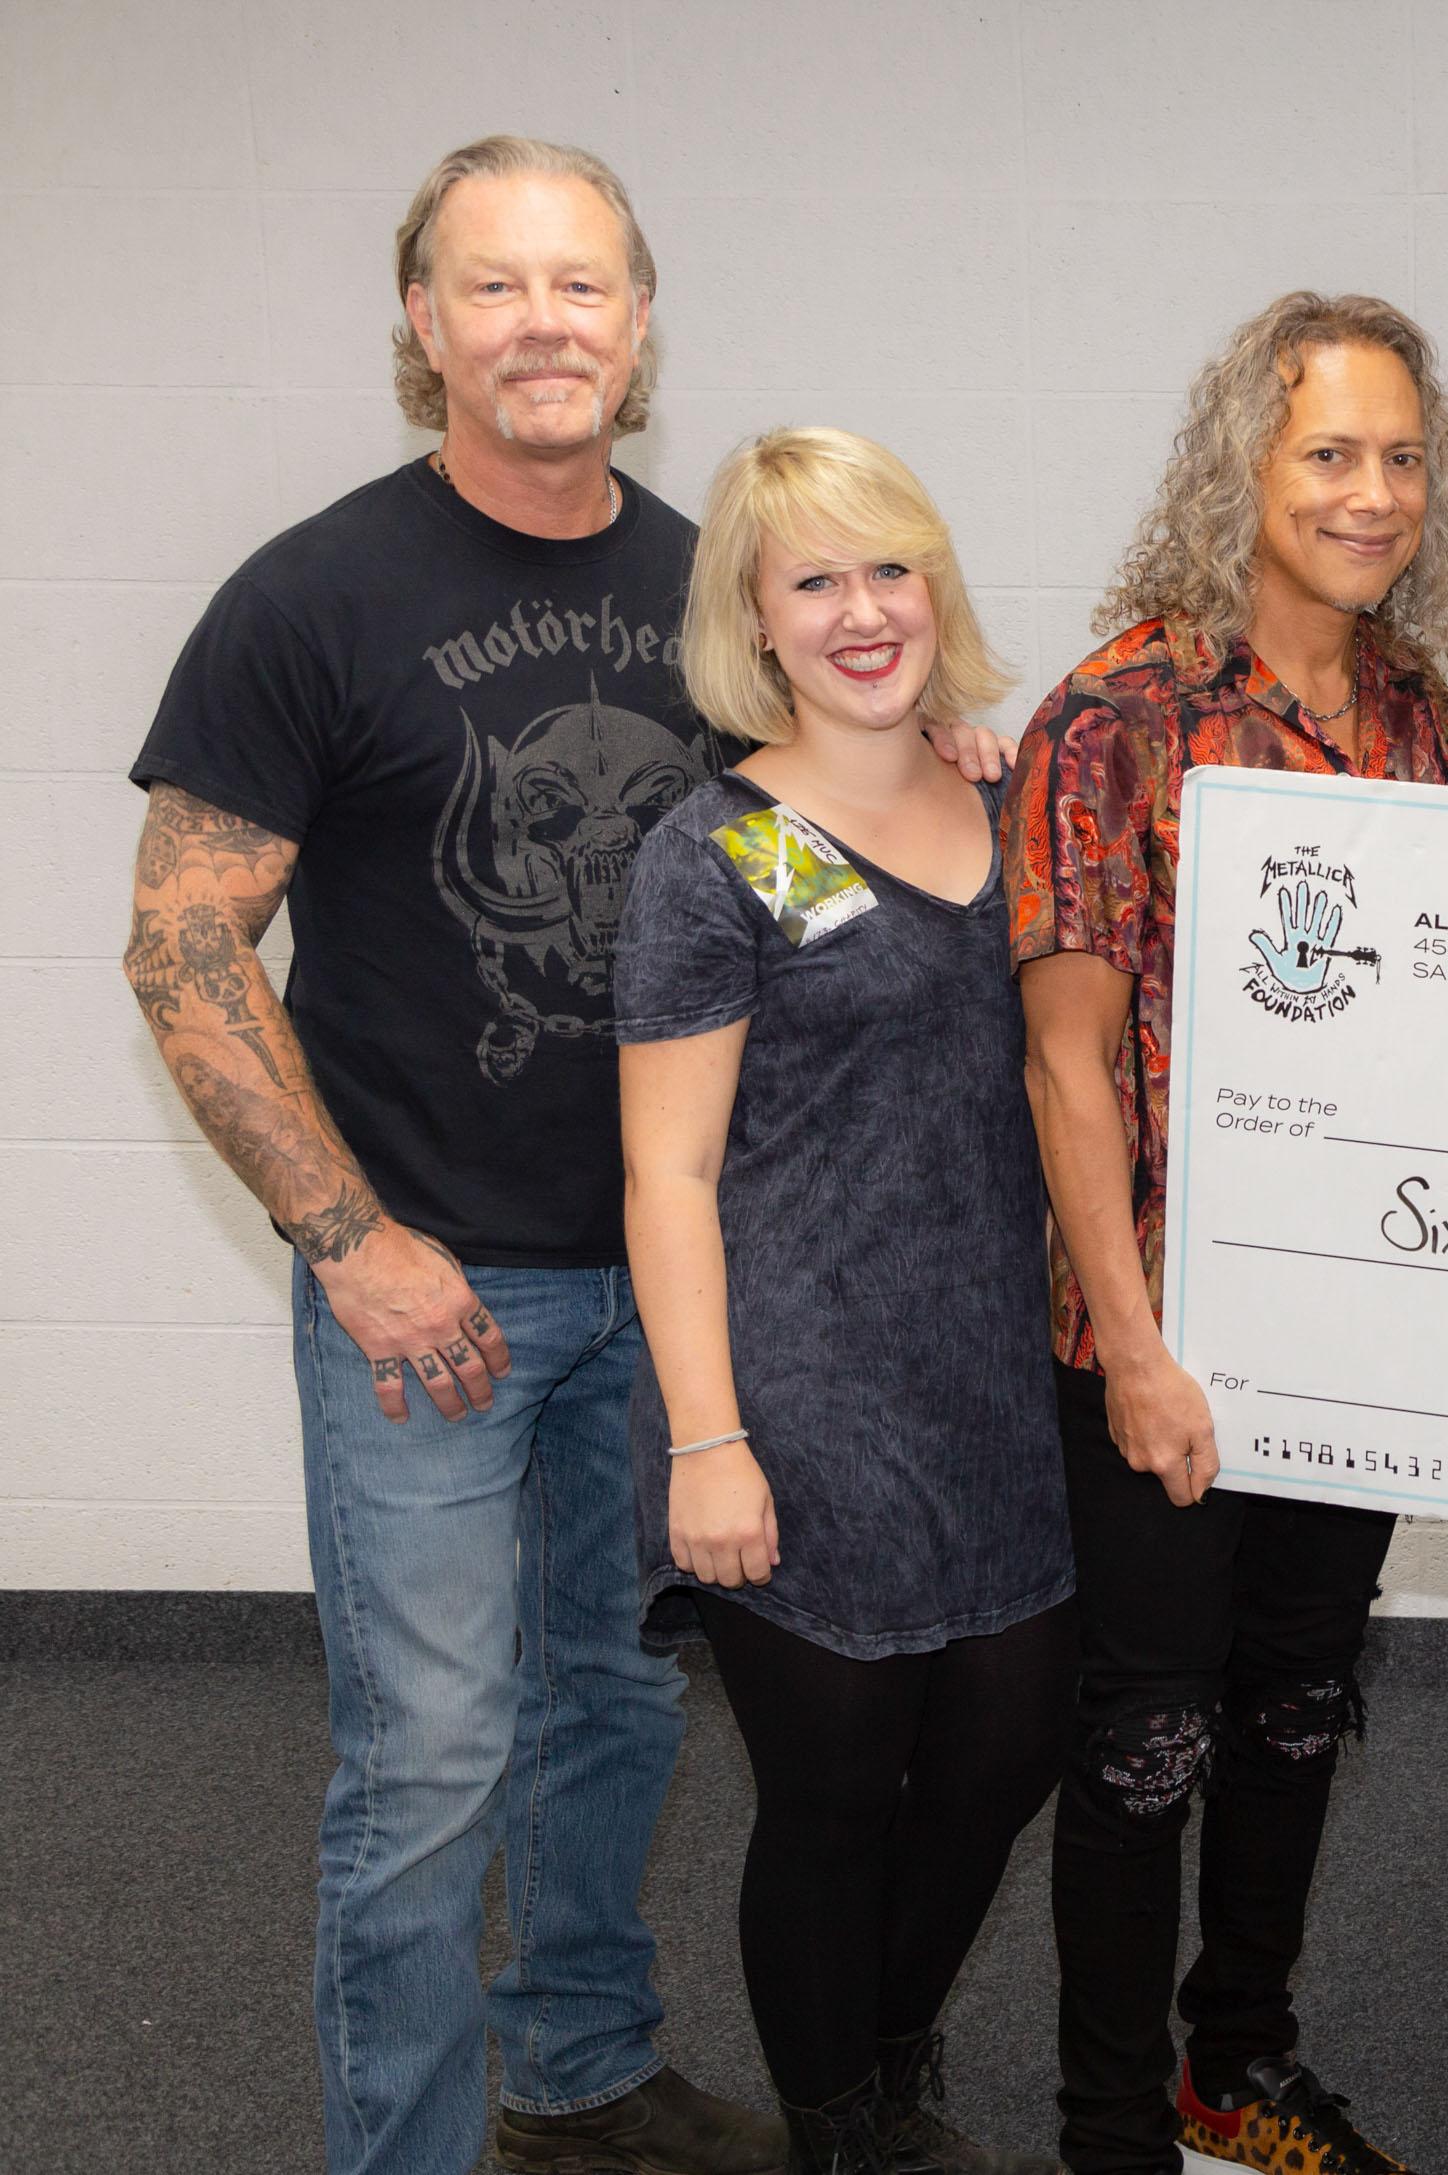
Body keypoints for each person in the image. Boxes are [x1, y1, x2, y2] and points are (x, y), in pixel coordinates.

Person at [120, 135, 784, 2175]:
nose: (541, 324)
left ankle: (581, 2070)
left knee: (618, 1702)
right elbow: (181, 942)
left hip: (663, 1281)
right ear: (425, 323)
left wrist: (939, 766)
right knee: (424, 1760)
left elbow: (794, 894)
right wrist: (349, 1241)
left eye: (580, 285)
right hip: (430, 1286)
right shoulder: (311, 598)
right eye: (493, 286)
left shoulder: (716, 593)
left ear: (641, 320)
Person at [1006, 291, 1448, 2175]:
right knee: (1149, 1743)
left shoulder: (1424, 717)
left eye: (1402, 458)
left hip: (1347, 1333)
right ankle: (1112, 2129)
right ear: (1244, 470)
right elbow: (1064, 1063)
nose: (1372, 495)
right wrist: (1135, 1349)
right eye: (1329, 454)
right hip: (1159, 1336)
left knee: (1298, 1709)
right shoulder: (1116, 718)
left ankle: (1239, 2067)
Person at [616, 427, 1075, 2175]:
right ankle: (841, 2130)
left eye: (891, 568)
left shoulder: (1013, 805)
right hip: (797, 1391)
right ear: (757, 619)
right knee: (832, 1788)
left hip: (994, 1380)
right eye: (815, 580)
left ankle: (884, 2056)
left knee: (1005, 1756)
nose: (864, 610)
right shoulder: (725, 853)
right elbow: (668, 1176)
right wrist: (707, 1441)